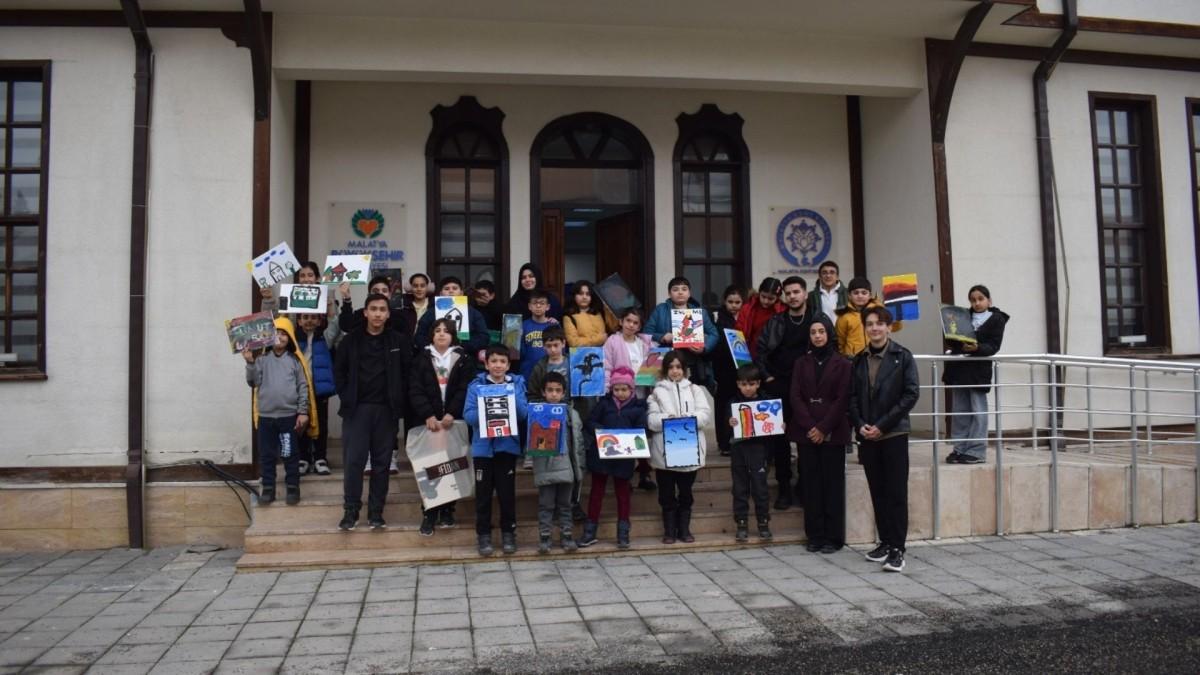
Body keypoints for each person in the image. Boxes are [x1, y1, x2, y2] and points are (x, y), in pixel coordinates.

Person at [849, 306, 919, 573]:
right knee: (877, 491)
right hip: (868, 436)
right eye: (870, 324)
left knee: (896, 493)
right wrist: (861, 425)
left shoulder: (903, 356)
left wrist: (882, 425)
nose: (875, 328)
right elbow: (852, 398)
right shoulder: (858, 360)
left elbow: (910, 394)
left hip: (893, 433)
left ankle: (898, 549)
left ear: (889, 327)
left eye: (880, 323)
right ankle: (886, 541)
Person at [333, 293, 411, 531]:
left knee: (381, 464)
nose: (378, 313)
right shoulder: (350, 341)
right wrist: (347, 397)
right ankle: (351, 511)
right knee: (354, 462)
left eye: (382, 309)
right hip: (357, 410)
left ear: (388, 314)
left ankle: (376, 512)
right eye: (373, 309)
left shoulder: (398, 341)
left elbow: (407, 373)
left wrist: (399, 400)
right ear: (365, 312)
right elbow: (339, 373)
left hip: (386, 411)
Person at [790, 315, 851, 554]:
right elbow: (795, 396)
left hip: (833, 433)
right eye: (813, 332)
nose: (817, 336)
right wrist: (810, 427)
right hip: (807, 433)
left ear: (829, 334)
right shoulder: (800, 363)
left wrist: (824, 428)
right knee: (811, 485)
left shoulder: (843, 363)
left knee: (832, 486)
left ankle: (833, 537)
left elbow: (843, 398)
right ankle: (814, 535)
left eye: (821, 331)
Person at [407, 318, 474, 535]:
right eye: (437, 331)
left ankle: (448, 510)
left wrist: (452, 413)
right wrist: (427, 414)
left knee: (452, 464)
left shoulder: (463, 358)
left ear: (453, 335)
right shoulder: (421, 359)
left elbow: (465, 388)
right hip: (430, 423)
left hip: (452, 421)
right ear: (431, 335)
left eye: (446, 331)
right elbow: (415, 389)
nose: (442, 334)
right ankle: (429, 511)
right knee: (430, 466)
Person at [463, 345, 529, 556]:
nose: (498, 365)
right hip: (483, 449)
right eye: (494, 361)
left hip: (507, 447)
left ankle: (509, 533)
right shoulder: (476, 386)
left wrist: (511, 393)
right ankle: (483, 535)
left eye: (502, 362)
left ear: (508, 365)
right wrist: (487, 406)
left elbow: (522, 414)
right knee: (483, 494)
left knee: (506, 493)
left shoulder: (517, 383)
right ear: (486, 363)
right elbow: (469, 416)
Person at [244, 319, 317, 506]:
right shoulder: (261, 360)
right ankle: (268, 488)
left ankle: (292, 487)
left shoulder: (294, 361)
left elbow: (303, 387)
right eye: (276, 332)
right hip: (266, 419)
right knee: (267, 454)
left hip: (287, 419)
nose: (280, 336)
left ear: (290, 337)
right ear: (268, 336)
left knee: (289, 453)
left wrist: (302, 411)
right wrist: (250, 363)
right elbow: (253, 382)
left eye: (284, 333)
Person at [753, 276, 811, 510]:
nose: (793, 296)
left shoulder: (818, 320)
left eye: (796, 292)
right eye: (788, 293)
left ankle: (805, 486)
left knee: (808, 438)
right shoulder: (776, 321)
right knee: (780, 442)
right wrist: (767, 377)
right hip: (779, 385)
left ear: (805, 293)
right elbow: (761, 351)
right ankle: (784, 489)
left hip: (809, 389)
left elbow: (830, 349)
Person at [646, 350, 712, 545]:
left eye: (678, 367)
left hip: (688, 448)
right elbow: (651, 420)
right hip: (665, 452)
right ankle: (669, 530)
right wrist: (669, 420)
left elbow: (705, 415)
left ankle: (684, 529)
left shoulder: (695, 390)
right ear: (665, 369)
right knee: (666, 494)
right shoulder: (656, 392)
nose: (675, 371)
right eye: (671, 367)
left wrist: (687, 420)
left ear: (684, 369)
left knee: (685, 492)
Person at [580, 367, 647, 550]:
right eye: (616, 389)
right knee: (597, 492)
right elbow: (590, 422)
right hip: (602, 456)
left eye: (624, 389)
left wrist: (629, 437)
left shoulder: (638, 408)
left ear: (631, 389)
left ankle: (623, 531)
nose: (620, 393)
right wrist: (601, 432)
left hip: (624, 457)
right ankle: (590, 530)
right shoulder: (604, 404)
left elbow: (642, 429)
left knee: (623, 493)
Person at [943, 285, 1009, 465]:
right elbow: (950, 338)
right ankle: (959, 448)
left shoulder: (997, 319)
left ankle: (977, 451)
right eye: (973, 300)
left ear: (989, 300)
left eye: (981, 298)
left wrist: (977, 347)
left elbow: (994, 346)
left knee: (978, 411)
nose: (977, 303)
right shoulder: (962, 315)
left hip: (978, 371)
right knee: (960, 411)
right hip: (959, 369)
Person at [531, 371, 585, 554]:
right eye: (550, 390)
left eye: (558, 390)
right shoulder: (537, 413)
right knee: (546, 504)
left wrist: (579, 466)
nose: (554, 394)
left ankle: (567, 535)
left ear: (563, 393)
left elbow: (578, 441)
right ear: (543, 392)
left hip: (567, 467)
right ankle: (545, 537)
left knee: (565, 504)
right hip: (545, 467)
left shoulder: (571, 414)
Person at [644, 276, 719, 390]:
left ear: (689, 293)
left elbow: (714, 334)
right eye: (675, 289)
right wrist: (662, 337)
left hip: (692, 362)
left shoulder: (699, 313)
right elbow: (646, 332)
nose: (680, 292)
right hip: (666, 361)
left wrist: (704, 348)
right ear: (669, 294)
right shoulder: (660, 310)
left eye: (684, 289)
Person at [727, 364, 772, 543]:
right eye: (744, 384)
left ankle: (763, 522)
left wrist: (779, 425)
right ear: (738, 384)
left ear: (758, 384)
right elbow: (726, 428)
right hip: (738, 450)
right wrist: (729, 422)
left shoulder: (766, 402)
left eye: (751, 384)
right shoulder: (732, 403)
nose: (748, 388)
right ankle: (742, 523)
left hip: (759, 450)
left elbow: (773, 425)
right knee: (740, 488)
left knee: (760, 488)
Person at [291, 311, 338, 476]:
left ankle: (320, 458)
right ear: (298, 321)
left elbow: (334, 325)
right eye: (304, 317)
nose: (309, 321)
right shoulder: (293, 340)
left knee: (322, 424)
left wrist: (332, 309)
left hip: (319, 389)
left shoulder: (324, 338)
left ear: (319, 321)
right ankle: (303, 458)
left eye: (313, 318)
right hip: (300, 390)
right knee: (300, 424)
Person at [414, 276, 491, 357]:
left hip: (465, 357)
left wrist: (462, 346)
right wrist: (434, 347)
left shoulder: (474, 313)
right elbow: (419, 336)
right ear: (441, 293)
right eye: (446, 289)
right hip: (434, 357)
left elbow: (483, 337)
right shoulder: (430, 313)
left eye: (454, 288)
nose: (451, 291)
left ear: (461, 293)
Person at [713, 285, 746, 457]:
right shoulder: (719, 319)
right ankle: (724, 443)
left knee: (741, 404)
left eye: (737, 302)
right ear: (724, 302)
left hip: (744, 369)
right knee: (724, 406)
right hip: (724, 369)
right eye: (730, 302)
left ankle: (740, 439)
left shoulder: (747, 316)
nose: (734, 305)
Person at [836, 277, 902, 358]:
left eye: (864, 293)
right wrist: (844, 358)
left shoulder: (879, 310)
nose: (860, 296)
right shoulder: (844, 316)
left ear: (870, 295)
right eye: (856, 293)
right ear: (849, 295)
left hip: (877, 355)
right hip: (853, 358)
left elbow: (894, 327)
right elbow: (840, 342)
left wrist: (898, 317)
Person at [338, 275, 413, 338]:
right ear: (369, 295)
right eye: (375, 291)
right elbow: (345, 326)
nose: (380, 294)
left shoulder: (399, 317)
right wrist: (347, 299)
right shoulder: (361, 314)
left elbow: (406, 343)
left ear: (389, 295)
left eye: (384, 290)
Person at [735, 277, 784, 360]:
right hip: (749, 355)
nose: (766, 301)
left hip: (773, 357)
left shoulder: (782, 311)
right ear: (759, 293)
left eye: (771, 298)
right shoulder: (748, 308)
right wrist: (741, 359)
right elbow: (738, 332)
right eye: (763, 296)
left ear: (777, 298)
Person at [526, 325, 570, 403]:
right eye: (549, 346)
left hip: (570, 406)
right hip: (547, 408)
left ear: (563, 343)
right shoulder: (539, 368)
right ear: (543, 346)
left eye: (556, 345)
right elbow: (532, 395)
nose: (553, 349)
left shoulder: (572, 363)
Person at [518, 290, 555, 380]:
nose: (538, 306)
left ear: (548, 307)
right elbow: (519, 353)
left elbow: (560, 351)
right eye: (534, 303)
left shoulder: (554, 325)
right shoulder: (523, 325)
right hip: (528, 372)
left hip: (550, 372)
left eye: (542, 303)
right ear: (529, 306)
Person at [562, 280, 610, 349]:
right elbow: (573, 342)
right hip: (580, 357)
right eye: (581, 294)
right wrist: (599, 339)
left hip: (603, 354)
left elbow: (613, 328)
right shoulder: (569, 316)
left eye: (588, 294)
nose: (584, 297)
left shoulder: (599, 313)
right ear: (574, 296)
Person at [806, 260, 848, 325]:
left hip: (843, 333)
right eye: (824, 273)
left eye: (832, 272)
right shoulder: (811, 296)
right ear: (819, 276)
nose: (828, 275)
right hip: (821, 333)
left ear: (837, 277)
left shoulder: (848, 293)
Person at [397, 273, 432, 337]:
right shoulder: (403, 305)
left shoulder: (434, 305)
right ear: (410, 288)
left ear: (427, 287)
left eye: (422, 286)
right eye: (415, 286)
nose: (419, 289)